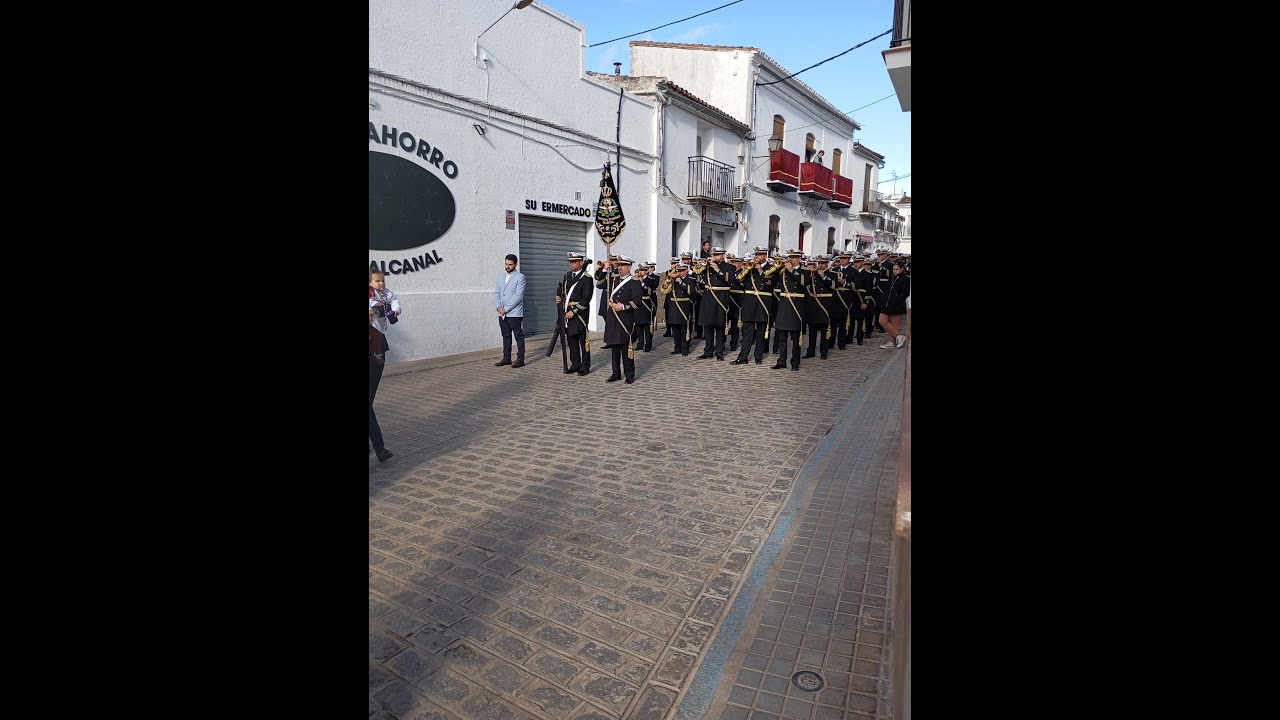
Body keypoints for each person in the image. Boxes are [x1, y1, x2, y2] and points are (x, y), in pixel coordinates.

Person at [731, 246, 775, 365]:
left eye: (759, 254)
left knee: (760, 331)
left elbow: (771, 283)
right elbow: (738, 280)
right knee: (747, 331)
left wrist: (761, 271)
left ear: (765, 255)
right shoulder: (750, 267)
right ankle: (743, 357)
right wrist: (746, 269)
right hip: (750, 301)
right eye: (756, 254)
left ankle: (758, 356)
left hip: (762, 301)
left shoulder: (771, 268)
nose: (757, 257)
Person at [602, 256, 643, 384]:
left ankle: (629, 374)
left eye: (623, 265)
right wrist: (604, 270)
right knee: (614, 347)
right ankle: (616, 373)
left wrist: (624, 306)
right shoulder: (614, 280)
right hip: (613, 317)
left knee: (625, 348)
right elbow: (600, 284)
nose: (619, 267)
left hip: (625, 319)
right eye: (618, 265)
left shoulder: (634, 282)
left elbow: (638, 302)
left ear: (629, 267)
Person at [557, 252, 594, 375]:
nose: (571, 264)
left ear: (581, 263)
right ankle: (575, 364)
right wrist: (560, 298)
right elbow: (565, 295)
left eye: (574, 262)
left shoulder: (587, 278)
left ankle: (585, 366)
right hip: (567, 313)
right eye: (570, 262)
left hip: (580, 314)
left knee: (583, 342)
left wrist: (574, 311)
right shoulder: (567, 276)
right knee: (571, 340)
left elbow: (586, 299)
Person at [694, 246, 733, 360]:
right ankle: (708, 350)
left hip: (721, 298)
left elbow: (730, 279)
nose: (715, 257)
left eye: (717, 255)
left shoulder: (729, 267)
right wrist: (704, 264)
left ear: (723, 256)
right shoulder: (707, 267)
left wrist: (717, 270)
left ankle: (719, 352)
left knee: (720, 327)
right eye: (714, 255)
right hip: (708, 298)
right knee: (708, 326)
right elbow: (696, 271)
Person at [771, 250, 807, 371]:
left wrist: (792, 270)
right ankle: (781, 361)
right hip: (784, 305)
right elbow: (770, 279)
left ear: (799, 258)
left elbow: (805, 282)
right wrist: (776, 268)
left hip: (796, 305)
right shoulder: (783, 270)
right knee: (782, 336)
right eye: (790, 257)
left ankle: (795, 363)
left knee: (796, 338)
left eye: (794, 257)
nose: (791, 259)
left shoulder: (805, 270)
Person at [369, 306, 393, 463]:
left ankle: (379, 448)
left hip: (374, 353)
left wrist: (378, 310)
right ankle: (379, 448)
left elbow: (388, 311)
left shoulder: (377, 296)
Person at [494, 253, 527, 368]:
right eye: (506, 264)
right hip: (502, 313)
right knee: (506, 335)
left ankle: (520, 359)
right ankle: (506, 358)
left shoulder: (520, 277)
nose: (507, 266)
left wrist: (506, 309)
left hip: (514, 313)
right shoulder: (500, 277)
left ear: (515, 265)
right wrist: (498, 307)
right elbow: (497, 293)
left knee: (518, 335)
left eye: (510, 264)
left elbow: (518, 296)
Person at [369, 270, 402, 364]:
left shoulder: (387, 292)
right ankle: (375, 354)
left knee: (377, 337)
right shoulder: (370, 292)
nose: (381, 283)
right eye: (377, 281)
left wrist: (396, 309)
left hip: (379, 320)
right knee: (375, 335)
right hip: (372, 321)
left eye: (383, 280)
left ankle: (376, 354)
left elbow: (394, 300)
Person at [878, 259, 911, 349]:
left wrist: (897, 301)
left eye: (897, 269)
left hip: (897, 305)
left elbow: (905, 293)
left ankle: (892, 341)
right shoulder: (892, 277)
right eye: (894, 269)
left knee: (895, 324)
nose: (895, 271)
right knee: (882, 321)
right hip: (886, 303)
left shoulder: (906, 279)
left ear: (902, 269)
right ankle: (899, 336)